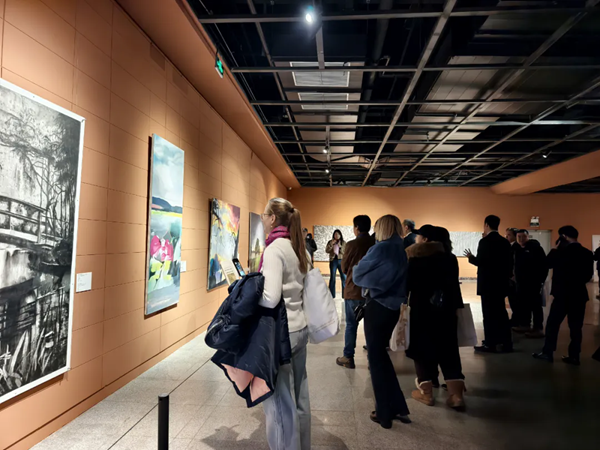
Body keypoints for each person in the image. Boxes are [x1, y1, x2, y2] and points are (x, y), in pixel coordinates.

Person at [259, 198, 311, 450]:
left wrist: (248, 294)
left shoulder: (274, 250)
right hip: (299, 328)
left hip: (281, 334)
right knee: (300, 396)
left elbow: (270, 298)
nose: (262, 218)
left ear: (272, 219)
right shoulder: (299, 248)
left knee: (279, 403)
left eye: (264, 214)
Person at [353, 215, 410, 429]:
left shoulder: (380, 248)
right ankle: (397, 406)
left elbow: (358, 273)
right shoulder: (400, 249)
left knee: (376, 360)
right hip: (393, 308)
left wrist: (367, 278)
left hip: (378, 306)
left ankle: (384, 413)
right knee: (382, 358)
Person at [406, 225, 466, 411]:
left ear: (425, 239)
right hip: (446, 311)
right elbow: (454, 286)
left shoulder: (414, 258)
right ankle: (456, 396)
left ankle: (426, 393)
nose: (416, 239)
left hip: (421, 311)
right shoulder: (450, 258)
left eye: (418, 236)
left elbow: (407, 285)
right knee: (449, 350)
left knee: (421, 350)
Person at [533, 226, 594, 366]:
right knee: (576, 327)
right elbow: (588, 276)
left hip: (562, 295)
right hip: (579, 295)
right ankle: (574, 356)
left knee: (552, 325)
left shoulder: (560, 252)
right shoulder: (587, 253)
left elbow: (546, 264)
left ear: (563, 236)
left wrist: (554, 249)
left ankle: (548, 352)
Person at [465, 215, 513, 353]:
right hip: (501, 284)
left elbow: (481, 262)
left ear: (486, 225)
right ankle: (506, 343)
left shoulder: (485, 242)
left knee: (489, 315)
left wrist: (471, 258)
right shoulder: (504, 242)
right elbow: (509, 263)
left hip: (488, 284)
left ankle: (490, 343)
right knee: (501, 314)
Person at [336, 215, 376, 369]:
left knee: (351, 325)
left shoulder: (352, 244)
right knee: (371, 327)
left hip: (353, 290)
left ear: (357, 228)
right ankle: (373, 360)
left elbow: (344, 267)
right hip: (372, 291)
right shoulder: (375, 244)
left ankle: (348, 357)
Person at [512, 230, 548, 338]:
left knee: (535, 305)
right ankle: (525, 325)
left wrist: (541, 280)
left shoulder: (536, 248)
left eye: (523, 236)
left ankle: (538, 328)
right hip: (520, 282)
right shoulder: (516, 249)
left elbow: (544, 265)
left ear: (528, 237)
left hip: (534, 283)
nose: (521, 239)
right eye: (518, 236)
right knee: (523, 304)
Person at [325, 230, 346, 298]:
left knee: (344, 277)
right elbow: (327, 250)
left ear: (340, 235)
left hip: (341, 260)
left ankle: (344, 295)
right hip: (333, 260)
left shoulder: (343, 242)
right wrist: (331, 244)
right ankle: (331, 295)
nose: (336, 235)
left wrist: (340, 247)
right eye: (335, 234)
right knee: (332, 277)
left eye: (338, 234)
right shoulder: (330, 242)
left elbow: (345, 252)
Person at [505, 228, 520, 325]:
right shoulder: (510, 246)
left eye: (509, 235)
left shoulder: (516, 247)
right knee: (512, 299)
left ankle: (517, 320)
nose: (506, 237)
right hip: (510, 277)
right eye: (506, 235)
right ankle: (515, 318)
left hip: (514, 278)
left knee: (515, 300)